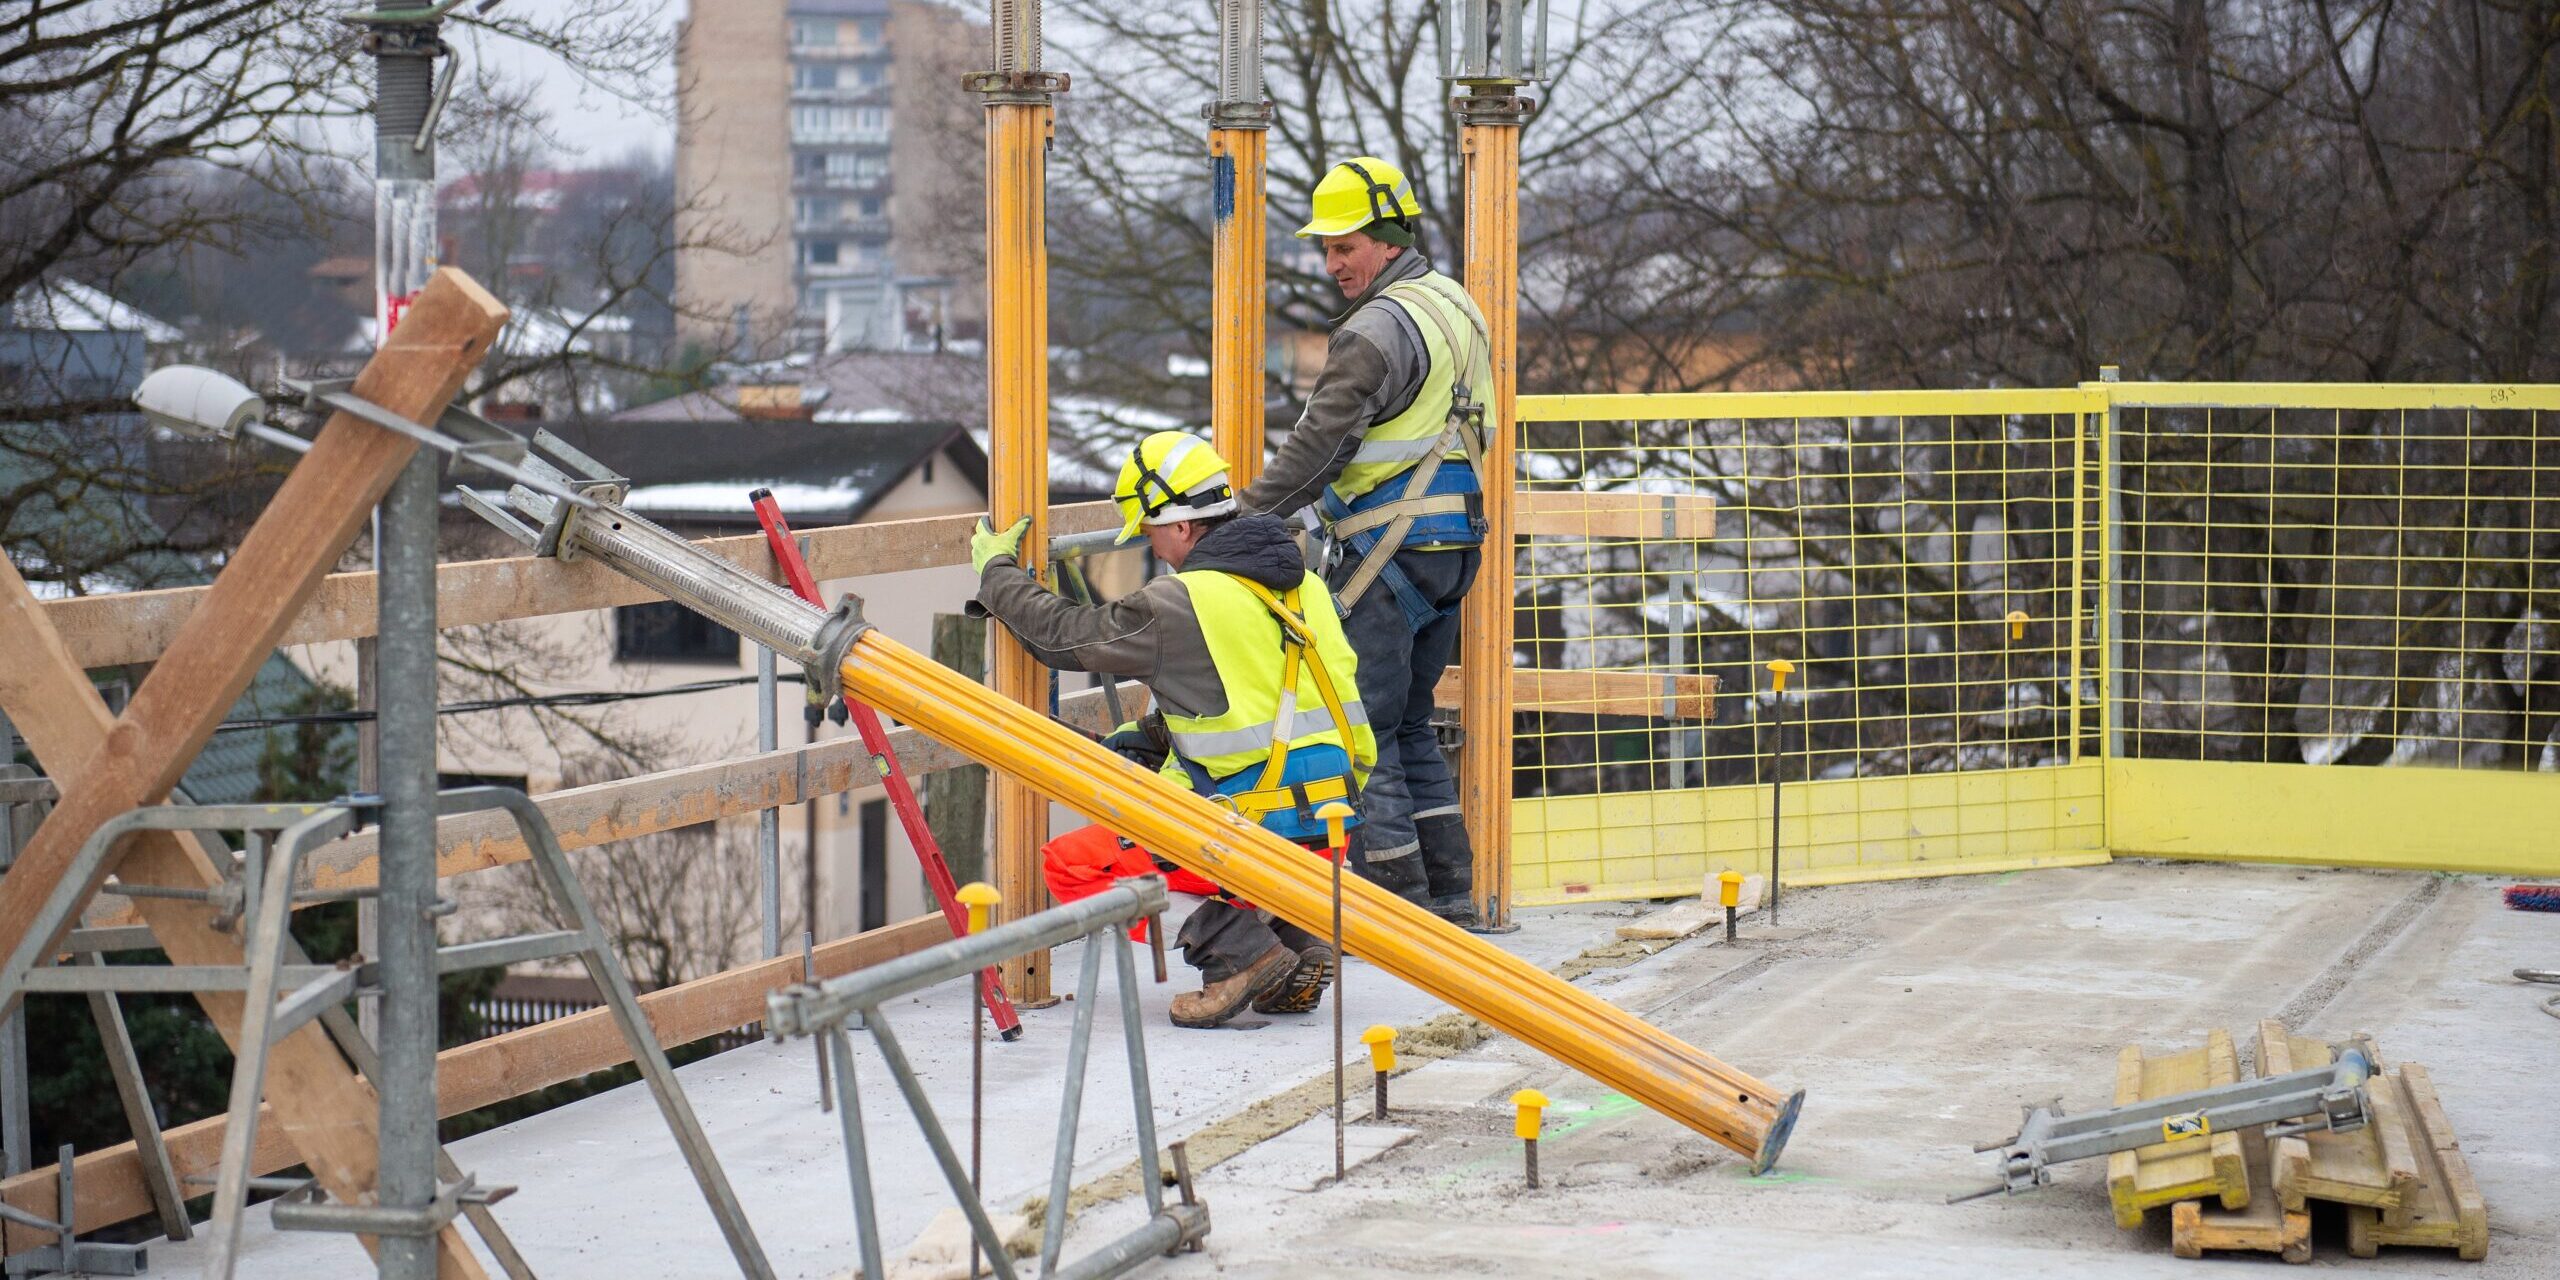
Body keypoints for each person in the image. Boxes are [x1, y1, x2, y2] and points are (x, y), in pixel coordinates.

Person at [971, 431, 1377, 1029]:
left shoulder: (1180, 601)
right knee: (1228, 828)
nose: (1155, 550)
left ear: (1182, 525)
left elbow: (1064, 635)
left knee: (1074, 864)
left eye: (1152, 533)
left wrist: (997, 573)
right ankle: (1300, 931)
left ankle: (1239, 955)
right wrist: (1160, 736)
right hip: (1333, 828)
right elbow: (1274, 695)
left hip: (1251, 824)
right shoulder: (1306, 586)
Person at [1234, 155, 1493, 929]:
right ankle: (1451, 899)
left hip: (1389, 549)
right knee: (1410, 725)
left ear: (1387, 239)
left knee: (1364, 735)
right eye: (1326, 248)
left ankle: (1397, 917)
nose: (1332, 263)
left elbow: (1319, 449)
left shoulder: (1375, 330)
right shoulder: (1456, 306)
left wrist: (1241, 521)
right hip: (1453, 548)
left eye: (1345, 246)